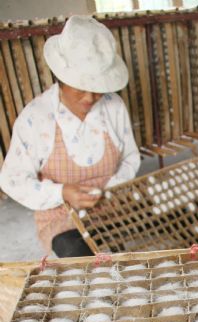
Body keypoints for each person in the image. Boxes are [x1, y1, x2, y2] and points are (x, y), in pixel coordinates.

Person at [0, 15, 140, 257]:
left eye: (97, 90)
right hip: (62, 216)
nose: (89, 98)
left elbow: (130, 157)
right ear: (62, 78)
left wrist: (110, 187)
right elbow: (12, 179)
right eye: (81, 88)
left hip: (114, 205)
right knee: (80, 255)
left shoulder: (113, 106)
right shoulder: (37, 117)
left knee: (136, 255)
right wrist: (61, 193)